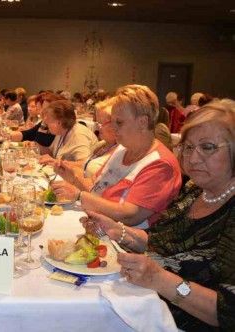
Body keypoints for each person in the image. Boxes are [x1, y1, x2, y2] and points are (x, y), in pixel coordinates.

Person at [82, 99, 235, 331]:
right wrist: (118, 230)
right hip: (147, 307)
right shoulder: (195, 190)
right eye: (189, 147)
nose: (193, 159)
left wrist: (159, 279)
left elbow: (229, 312)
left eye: (208, 147)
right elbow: (161, 240)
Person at [52, 85, 182, 228]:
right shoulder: (122, 149)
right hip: (96, 226)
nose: (113, 128)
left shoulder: (161, 163)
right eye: (112, 122)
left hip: (122, 242)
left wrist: (79, 196)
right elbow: (95, 188)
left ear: (143, 122)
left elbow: (130, 215)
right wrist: (72, 178)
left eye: (119, 122)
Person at [53, 97, 118, 190]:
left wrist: (74, 182)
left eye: (101, 124)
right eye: (97, 123)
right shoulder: (102, 144)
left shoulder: (121, 152)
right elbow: (87, 167)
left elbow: (101, 190)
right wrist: (66, 165)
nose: (97, 128)